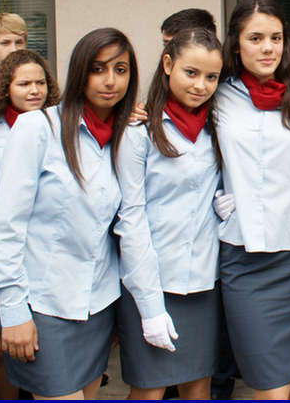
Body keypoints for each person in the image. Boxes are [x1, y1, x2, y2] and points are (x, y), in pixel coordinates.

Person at [0, 27, 138, 399]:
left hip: (98, 303)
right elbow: (4, 227)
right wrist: (13, 310)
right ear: (79, 72)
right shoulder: (38, 128)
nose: (110, 80)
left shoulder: (125, 136)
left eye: (120, 70)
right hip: (42, 303)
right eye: (98, 69)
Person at [211, 0, 290, 399]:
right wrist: (219, 197)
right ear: (235, 44)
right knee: (269, 385)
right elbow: (190, 157)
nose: (267, 48)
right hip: (245, 258)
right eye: (256, 38)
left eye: (275, 38)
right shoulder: (216, 98)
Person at [113, 28, 225, 400]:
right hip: (153, 280)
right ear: (167, 65)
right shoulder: (139, 131)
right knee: (150, 389)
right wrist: (149, 306)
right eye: (191, 72)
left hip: (203, 284)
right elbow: (131, 219)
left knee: (198, 385)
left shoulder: (216, 129)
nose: (201, 85)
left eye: (211, 77)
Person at [0, 49, 60, 400]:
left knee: (43, 348)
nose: (34, 90)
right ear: (6, 88)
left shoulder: (60, 129)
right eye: (24, 84)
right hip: (3, 254)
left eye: (40, 83)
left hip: (48, 255)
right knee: (1, 347)